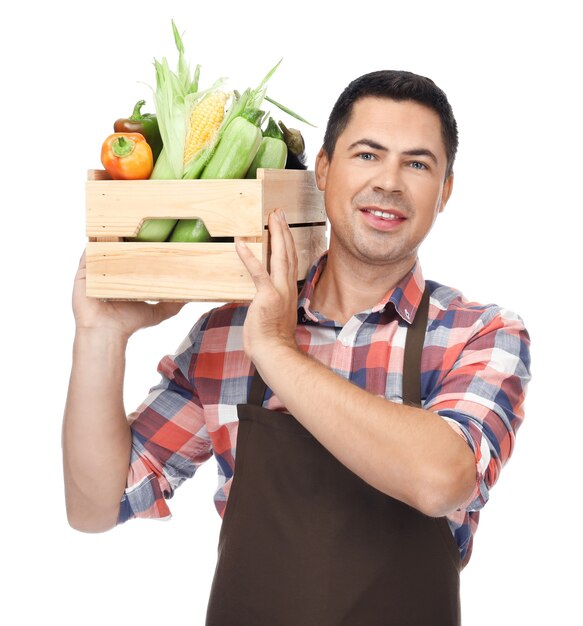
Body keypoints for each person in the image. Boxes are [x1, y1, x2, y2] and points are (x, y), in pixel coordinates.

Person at [62, 70, 531, 625]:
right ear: (324, 170)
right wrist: (101, 336)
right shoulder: (224, 334)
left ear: (445, 191)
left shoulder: (479, 334)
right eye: (367, 155)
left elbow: (441, 479)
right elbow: (95, 505)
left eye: (418, 163)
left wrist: (278, 352)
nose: (389, 182)